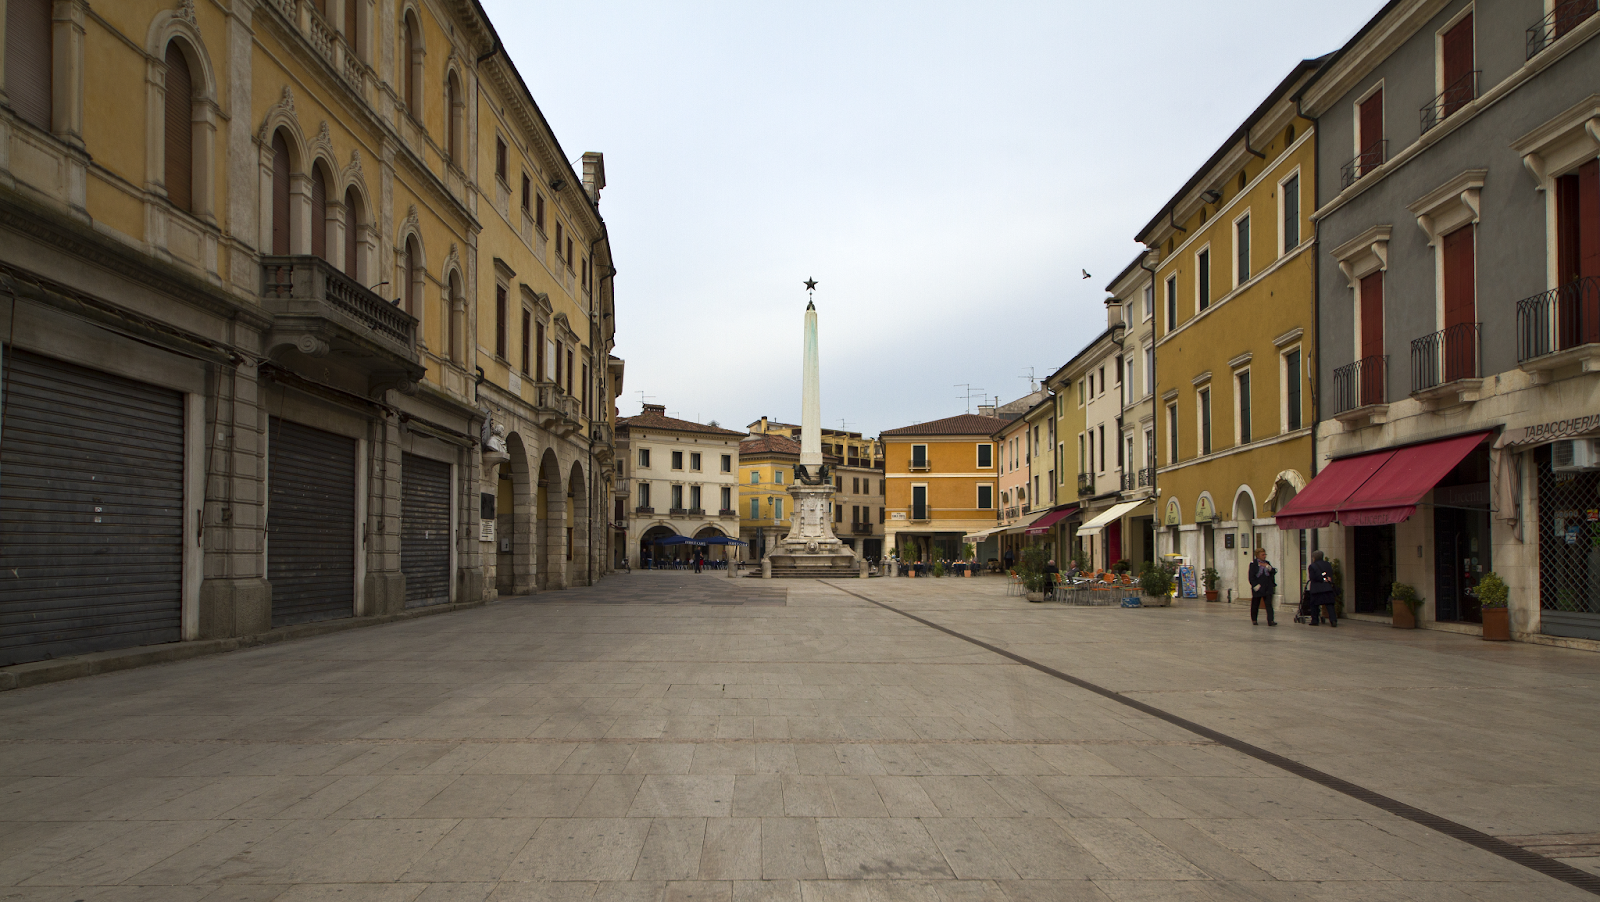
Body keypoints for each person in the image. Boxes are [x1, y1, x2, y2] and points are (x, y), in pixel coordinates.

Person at [1306, 549, 1337, 627]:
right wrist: (1325, 579)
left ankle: (1315, 620)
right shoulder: (1328, 564)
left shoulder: (1312, 566)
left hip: (1317, 589)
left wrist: (1321, 579)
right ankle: (1333, 620)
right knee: (1330, 605)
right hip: (1327, 588)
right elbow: (1330, 575)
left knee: (1314, 605)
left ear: (1314, 558)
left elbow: (1313, 577)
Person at [1248, 547, 1277, 626]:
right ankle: (1254, 619)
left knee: (1269, 604)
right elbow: (1251, 576)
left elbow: (1273, 571)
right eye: (1262, 554)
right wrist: (1255, 585)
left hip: (1267, 586)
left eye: (1265, 554)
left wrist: (1269, 568)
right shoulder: (1253, 564)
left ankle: (1270, 620)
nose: (1264, 556)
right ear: (1257, 555)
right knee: (1255, 604)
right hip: (1258, 587)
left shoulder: (1267, 563)